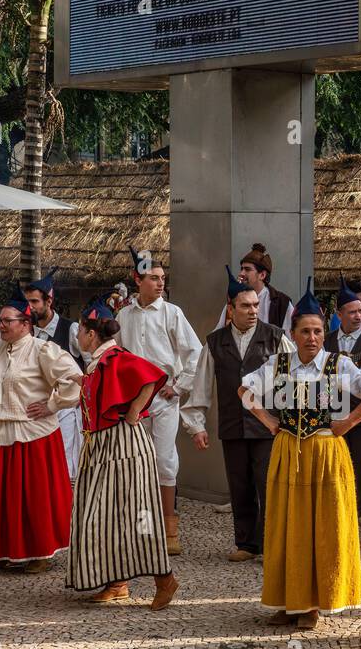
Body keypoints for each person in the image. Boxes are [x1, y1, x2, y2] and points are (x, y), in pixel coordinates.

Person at [239, 279, 361, 629]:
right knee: (288, 525)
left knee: (324, 526)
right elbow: (244, 389)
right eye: (305, 331)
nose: (312, 338)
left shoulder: (338, 365)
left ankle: (316, 601)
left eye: (318, 331)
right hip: (289, 450)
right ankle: (290, 600)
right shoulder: (279, 363)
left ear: (324, 330)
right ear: (294, 332)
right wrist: (267, 419)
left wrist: (347, 423)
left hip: (326, 452)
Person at [68, 301, 179, 608]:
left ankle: (165, 579)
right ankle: (117, 584)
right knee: (104, 516)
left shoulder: (115, 358)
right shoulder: (98, 362)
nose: (77, 335)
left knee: (137, 515)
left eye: (80, 330)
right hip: (102, 445)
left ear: (91, 334)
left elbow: (153, 375)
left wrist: (134, 411)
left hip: (123, 446)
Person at [181, 267, 293, 562]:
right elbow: (201, 385)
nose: (253, 311)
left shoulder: (275, 338)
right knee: (239, 484)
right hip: (232, 425)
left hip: (268, 427)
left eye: (256, 305)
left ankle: (273, 543)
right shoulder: (215, 343)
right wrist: (197, 425)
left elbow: (295, 379)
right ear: (230, 309)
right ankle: (246, 543)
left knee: (268, 484)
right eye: (245, 306)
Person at [0, 295, 81, 573]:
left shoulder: (43, 350)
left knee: (33, 496)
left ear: (25, 324)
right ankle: (4, 548)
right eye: (0, 320)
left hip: (33, 434)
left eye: (7, 321)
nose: (1, 326)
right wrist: (0, 405)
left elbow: (75, 380)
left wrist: (51, 404)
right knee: (1, 496)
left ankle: (40, 551)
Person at [116, 244, 202, 556]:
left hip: (164, 400)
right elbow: (115, 356)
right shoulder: (124, 315)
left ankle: (169, 531)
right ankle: (142, 530)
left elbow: (195, 353)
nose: (160, 282)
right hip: (134, 404)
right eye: (153, 277)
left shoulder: (172, 313)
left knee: (165, 461)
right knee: (137, 464)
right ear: (137, 280)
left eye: (162, 277)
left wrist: (178, 386)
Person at [23, 268, 84, 478]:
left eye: (34, 302)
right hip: (35, 410)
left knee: (63, 466)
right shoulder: (27, 332)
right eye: (28, 302)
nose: (29, 308)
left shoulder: (71, 329)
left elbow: (90, 366)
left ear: (49, 301)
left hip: (64, 411)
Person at [333, 277, 361, 512]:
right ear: (339, 314)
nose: (358, 316)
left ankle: (358, 509)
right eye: (352, 312)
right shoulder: (325, 341)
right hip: (333, 412)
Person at [215, 242, 294, 333]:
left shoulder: (282, 303)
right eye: (242, 269)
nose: (241, 273)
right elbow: (219, 332)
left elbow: (291, 342)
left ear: (262, 275)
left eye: (247, 269)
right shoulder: (235, 299)